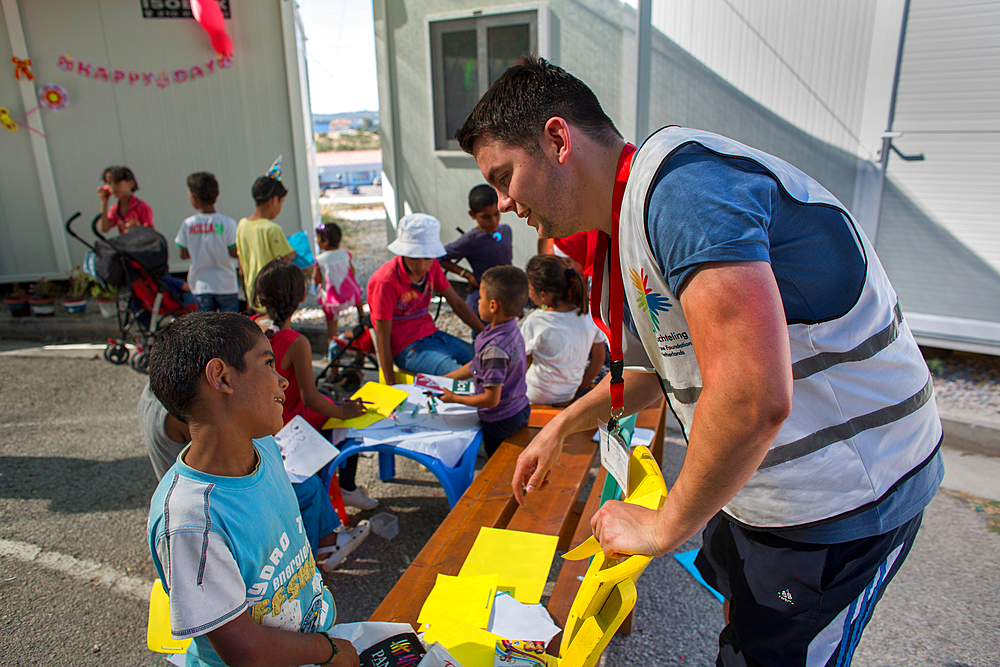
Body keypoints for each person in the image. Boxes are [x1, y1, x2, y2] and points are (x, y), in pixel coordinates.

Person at [456, 56, 943, 666]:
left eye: (504, 176)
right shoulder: (635, 212)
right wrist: (561, 425)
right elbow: (661, 368)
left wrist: (664, 525)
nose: (501, 203)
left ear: (557, 139)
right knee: (740, 629)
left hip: (844, 498)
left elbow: (750, 397)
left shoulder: (680, 192)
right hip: (765, 486)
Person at [146, 312, 361, 667]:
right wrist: (330, 652)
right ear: (222, 377)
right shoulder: (190, 520)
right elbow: (246, 650)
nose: (282, 382)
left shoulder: (264, 448)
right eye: (267, 363)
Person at [255, 259, 379, 512]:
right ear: (302, 297)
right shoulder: (295, 341)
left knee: (332, 406)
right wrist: (345, 412)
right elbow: (310, 398)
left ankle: (334, 483)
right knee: (347, 422)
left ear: (260, 295)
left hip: (261, 421)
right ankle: (346, 487)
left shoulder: (251, 325)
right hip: (288, 422)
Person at [367, 213, 485, 384]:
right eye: (415, 258)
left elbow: (458, 303)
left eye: (428, 258)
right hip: (406, 348)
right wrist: (390, 385)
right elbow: (382, 337)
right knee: (464, 380)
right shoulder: (385, 281)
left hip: (433, 335)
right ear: (403, 252)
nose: (421, 266)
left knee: (488, 361)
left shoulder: (434, 267)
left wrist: (486, 335)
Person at [440, 266, 530, 456]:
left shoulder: (494, 349)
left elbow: (491, 399)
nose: (478, 301)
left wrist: (454, 398)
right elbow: (477, 365)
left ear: (493, 306)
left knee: (501, 464)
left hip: (501, 420)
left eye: (480, 298)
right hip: (519, 407)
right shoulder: (510, 328)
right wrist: (446, 378)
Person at [520, 255, 606, 405]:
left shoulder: (536, 321)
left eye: (529, 287)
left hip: (534, 395)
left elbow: (522, 365)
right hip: (569, 394)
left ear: (543, 295)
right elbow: (599, 358)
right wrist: (582, 387)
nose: (528, 291)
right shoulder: (589, 316)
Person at [438, 184, 514, 315]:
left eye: (496, 214)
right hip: (483, 303)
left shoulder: (506, 230)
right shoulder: (470, 240)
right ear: (472, 215)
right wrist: (466, 274)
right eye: (486, 217)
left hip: (505, 297)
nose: (493, 221)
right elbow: (439, 256)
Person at [175, 172, 240, 313]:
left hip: (201, 285)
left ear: (194, 197)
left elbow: (183, 254)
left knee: (205, 328)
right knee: (230, 328)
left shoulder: (188, 224)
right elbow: (234, 252)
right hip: (226, 284)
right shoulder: (227, 223)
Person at [236, 172, 296, 310]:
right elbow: (285, 260)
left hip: (252, 295)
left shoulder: (242, 225)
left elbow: (241, 262)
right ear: (274, 200)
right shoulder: (272, 229)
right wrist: (292, 254)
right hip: (273, 298)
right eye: (281, 202)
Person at [313, 222, 364, 344]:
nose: (316, 241)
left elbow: (317, 280)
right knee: (359, 302)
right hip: (351, 296)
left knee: (332, 330)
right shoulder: (345, 255)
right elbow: (352, 272)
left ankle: (334, 354)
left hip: (332, 301)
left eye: (318, 238)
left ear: (325, 241)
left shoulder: (319, 260)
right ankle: (362, 318)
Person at [96, 166, 153, 234]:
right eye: (109, 183)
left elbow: (151, 231)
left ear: (131, 183)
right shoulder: (114, 209)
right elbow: (104, 228)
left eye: (117, 182)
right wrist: (104, 202)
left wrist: (135, 230)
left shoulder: (141, 206)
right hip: (126, 244)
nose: (113, 187)